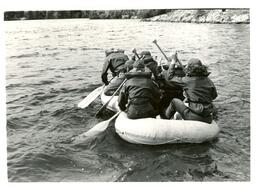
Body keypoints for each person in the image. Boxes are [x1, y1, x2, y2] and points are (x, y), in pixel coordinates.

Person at [163, 57, 218, 124]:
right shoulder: (209, 81)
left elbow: (169, 77)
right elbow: (214, 96)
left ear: (190, 69)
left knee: (174, 101)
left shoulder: (187, 80)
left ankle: (164, 120)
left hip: (193, 116)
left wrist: (173, 62)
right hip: (207, 118)